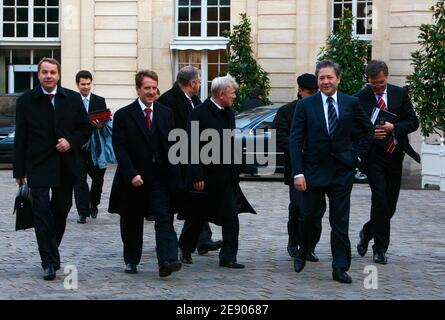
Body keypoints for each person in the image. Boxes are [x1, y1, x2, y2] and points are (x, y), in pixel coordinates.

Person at [290, 60, 374, 283]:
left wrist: (356, 156)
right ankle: (303, 249)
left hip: (341, 171)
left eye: (329, 77)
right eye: (322, 78)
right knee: (308, 217)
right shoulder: (306, 105)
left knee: (339, 221)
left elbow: (368, 131)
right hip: (313, 172)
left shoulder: (351, 103)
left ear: (338, 79)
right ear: (317, 81)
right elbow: (295, 139)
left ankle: (340, 267)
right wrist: (298, 173)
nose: (326, 82)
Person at [13, 58, 92, 280]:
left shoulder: (73, 99)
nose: (48, 76)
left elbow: (85, 128)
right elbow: (21, 138)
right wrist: (19, 171)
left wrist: (70, 141)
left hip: (66, 165)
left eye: (52, 72)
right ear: (38, 75)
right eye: (44, 72)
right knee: (41, 213)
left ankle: (52, 250)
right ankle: (48, 261)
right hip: (37, 165)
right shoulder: (26, 101)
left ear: (58, 75)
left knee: (61, 211)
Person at [108, 70, 182, 277]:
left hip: (160, 178)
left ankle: (167, 260)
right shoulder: (124, 115)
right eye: (147, 88)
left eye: (154, 88)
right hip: (133, 178)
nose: (151, 92)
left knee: (164, 218)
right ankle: (131, 259)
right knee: (132, 221)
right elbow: (120, 148)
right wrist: (131, 173)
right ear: (138, 89)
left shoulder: (166, 113)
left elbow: (173, 146)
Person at [180, 74, 255, 269]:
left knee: (231, 217)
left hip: (225, 177)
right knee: (196, 217)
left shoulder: (228, 111)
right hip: (204, 177)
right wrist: (197, 176)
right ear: (221, 94)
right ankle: (185, 249)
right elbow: (191, 146)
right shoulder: (199, 113)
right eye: (232, 93)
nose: (235, 96)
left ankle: (228, 256)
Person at [356, 60, 420, 264]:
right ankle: (380, 249)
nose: (377, 87)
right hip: (374, 156)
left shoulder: (399, 94)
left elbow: (413, 122)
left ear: (387, 77)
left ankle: (367, 231)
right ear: (368, 80)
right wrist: (369, 133)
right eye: (374, 83)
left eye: (381, 83)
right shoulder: (361, 98)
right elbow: (354, 127)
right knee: (380, 200)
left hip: (395, 154)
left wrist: (395, 127)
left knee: (390, 205)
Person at [157, 65, 222, 263]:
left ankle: (202, 240)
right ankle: (187, 244)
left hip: (195, 159)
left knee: (197, 203)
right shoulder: (168, 100)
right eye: (199, 81)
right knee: (192, 205)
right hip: (179, 161)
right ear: (192, 83)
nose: (200, 85)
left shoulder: (194, 100)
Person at [273, 73, 320, 260]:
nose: (313, 95)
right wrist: (299, 148)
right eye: (310, 92)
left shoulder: (321, 108)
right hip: (296, 167)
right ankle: (294, 241)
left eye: (315, 92)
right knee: (298, 208)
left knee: (316, 211)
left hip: (317, 167)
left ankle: (309, 246)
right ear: (300, 91)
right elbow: (279, 136)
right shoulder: (287, 111)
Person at [74, 70, 114, 224]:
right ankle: (83, 213)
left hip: (96, 147)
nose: (85, 87)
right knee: (79, 180)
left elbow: (104, 122)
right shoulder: (73, 100)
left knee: (98, 179)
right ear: (78, 84)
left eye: (88, 83)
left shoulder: (99, 100)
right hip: (78, 147)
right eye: (83, 84)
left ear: (91, 83)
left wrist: (100, 125)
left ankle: (94, 204)